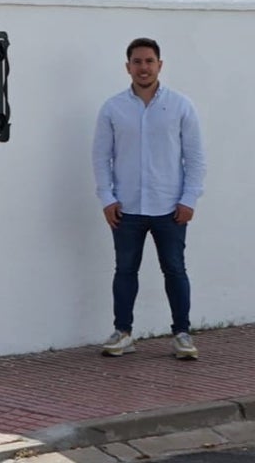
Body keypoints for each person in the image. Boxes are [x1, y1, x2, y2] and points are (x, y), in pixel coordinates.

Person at [92, 37, 207, 360]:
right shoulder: (113, 108)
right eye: (137, 62)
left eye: (149, 61)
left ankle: (182, 334)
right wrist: (106, 198)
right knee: (125, 270)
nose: (144, 67)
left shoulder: (181, 106)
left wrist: (189, 200)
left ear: (160, 65)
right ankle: (123, 332)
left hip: (170, 208)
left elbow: (195, 158)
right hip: (125, 208)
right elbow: (101, 157)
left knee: (175, 270)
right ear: (127, 67)